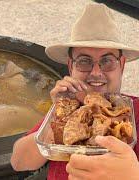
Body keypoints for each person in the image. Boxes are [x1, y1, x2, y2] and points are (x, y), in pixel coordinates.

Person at [11, 3, 139, 180]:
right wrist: (58, 116)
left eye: (107, 61)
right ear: (71, 67)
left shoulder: (134, 113)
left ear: (122, 65)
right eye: (84, 61)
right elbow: (19, 162)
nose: (95, 72)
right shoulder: (67, 109)